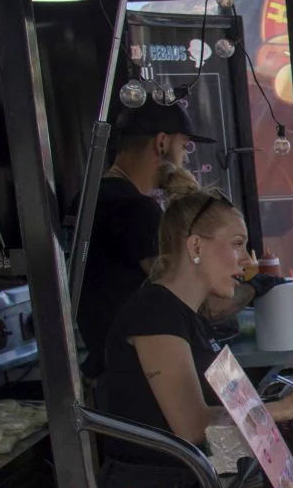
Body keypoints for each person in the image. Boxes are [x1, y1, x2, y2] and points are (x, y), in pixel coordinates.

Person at [93, 187, 293, 488]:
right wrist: (286, 409)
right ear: (195, 247)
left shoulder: (190, 317)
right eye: (236, 244)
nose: (246, 263)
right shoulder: (154, 312)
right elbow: (193, 425)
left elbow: (226, 416)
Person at [78, 100, 218, 377]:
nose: (185, 158)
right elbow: (183, 291)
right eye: (184, 146)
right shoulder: (136, 209)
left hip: (105, 360)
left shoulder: (86, 199)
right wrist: (255, 287)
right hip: (137, 368)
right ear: (162, 143)